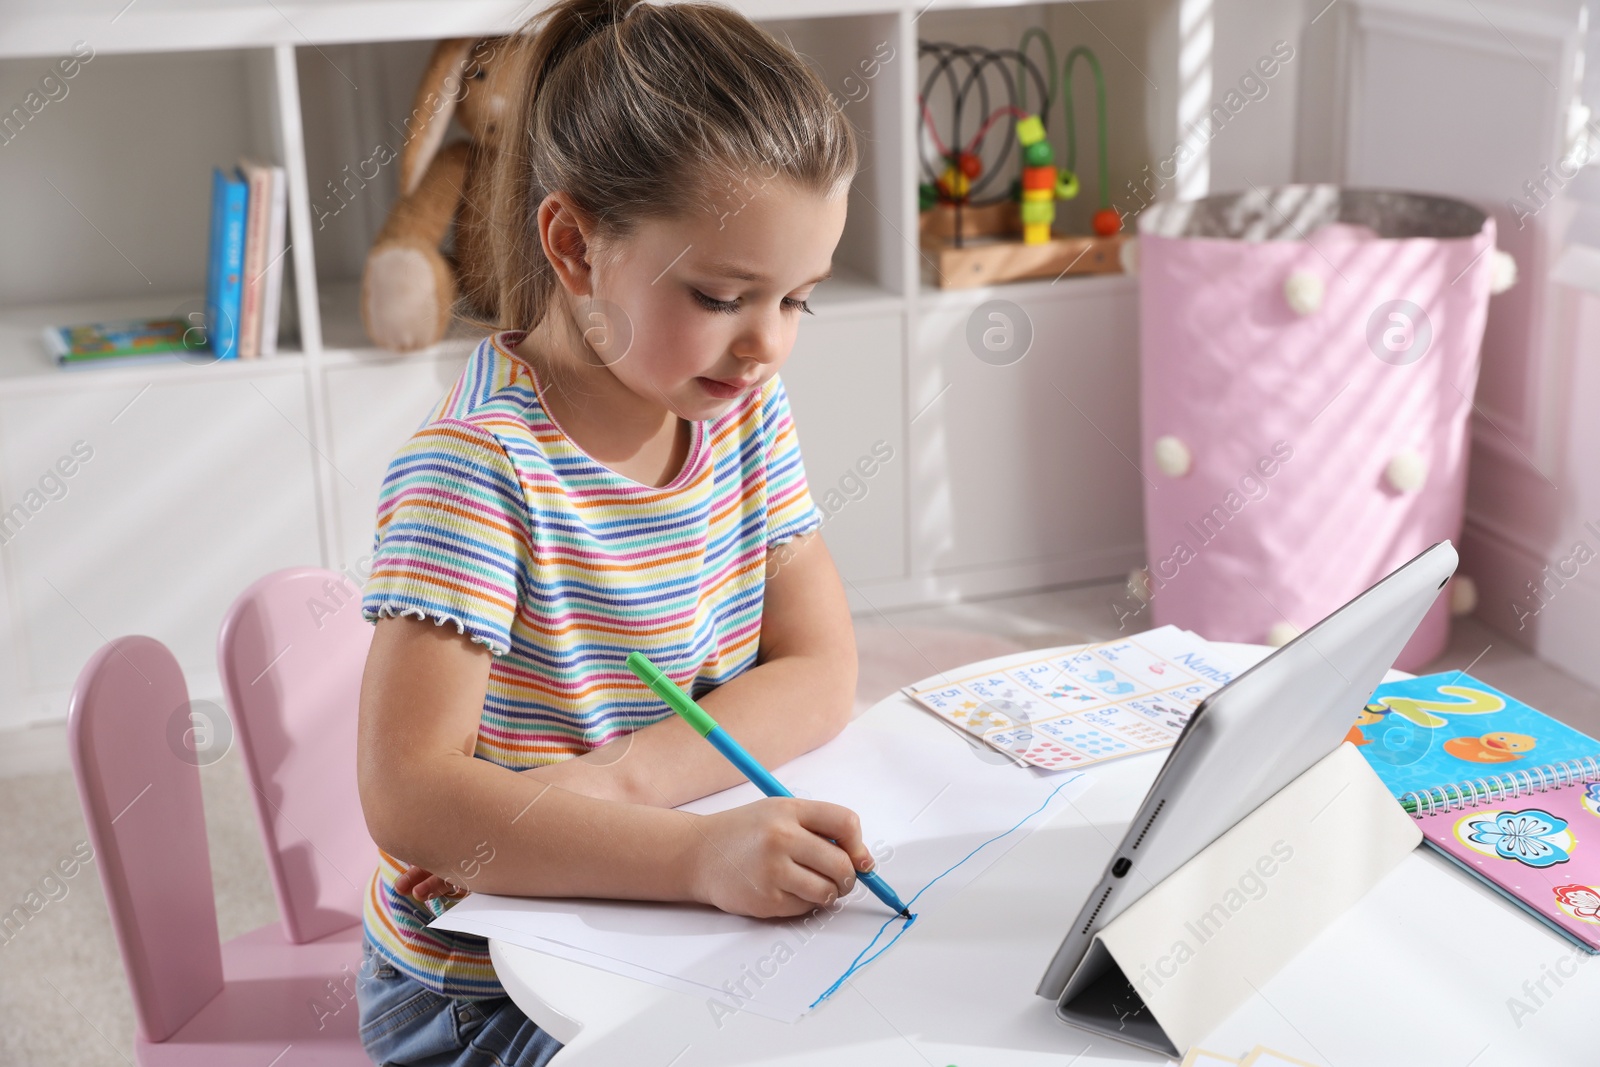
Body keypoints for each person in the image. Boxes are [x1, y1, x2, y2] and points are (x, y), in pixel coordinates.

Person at [353, 1, 873, 1062]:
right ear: (574, 245)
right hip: (482, 988)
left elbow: (821, 667)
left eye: (799, 300)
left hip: (654, 914)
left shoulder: (736, 411)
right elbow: (410, 795)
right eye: (724, 294)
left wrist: (627, 781)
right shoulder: (480, 472)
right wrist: (689, 858)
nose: (765, 343)